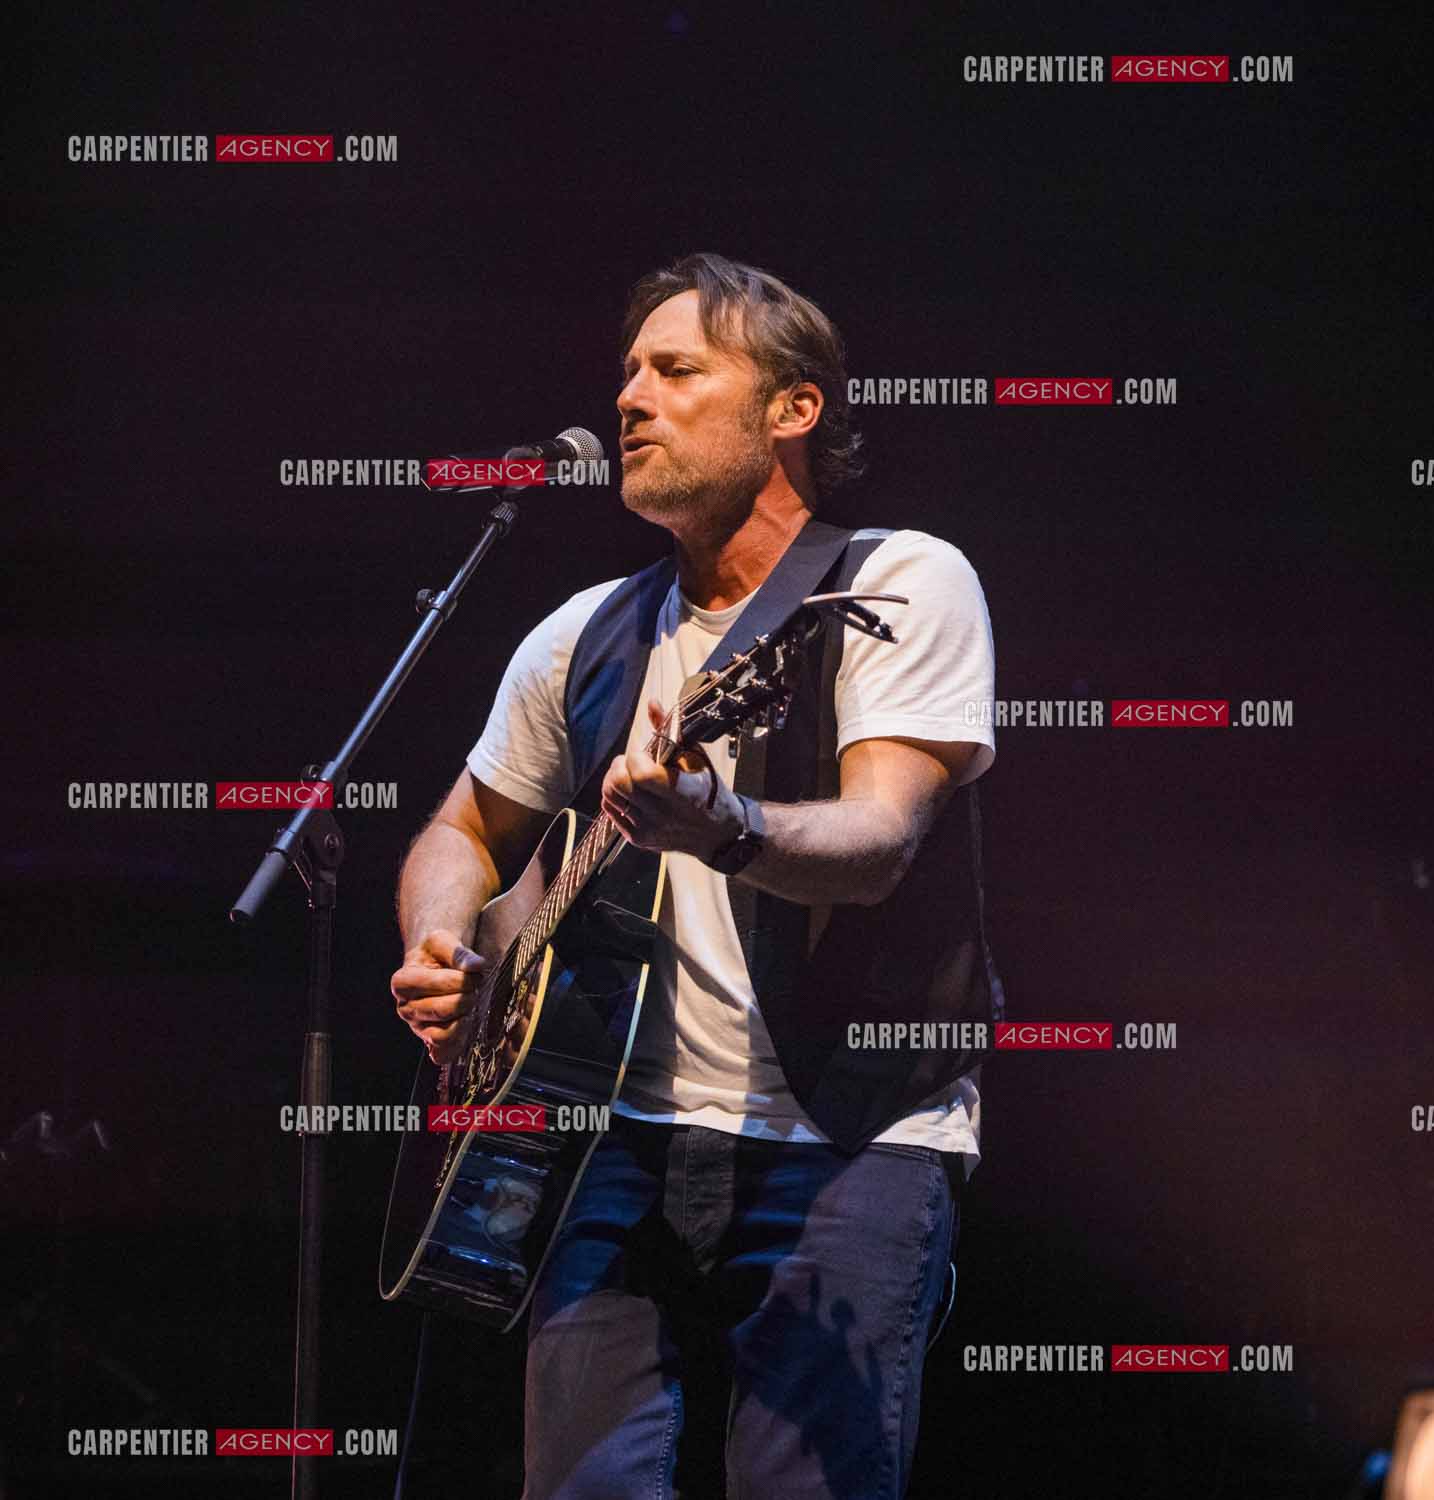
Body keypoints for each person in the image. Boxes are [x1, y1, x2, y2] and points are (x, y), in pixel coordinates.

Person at [388, 252, 999, 1497]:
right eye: (627, 373)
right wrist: (448, 946)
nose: (631, 397)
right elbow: (460, 833)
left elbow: (880, 841)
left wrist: (720, 822)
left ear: (793, 409)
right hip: (611, 1146)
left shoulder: (892, 581)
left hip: (848, 1135)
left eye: (677, 369)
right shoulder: (585, 628)